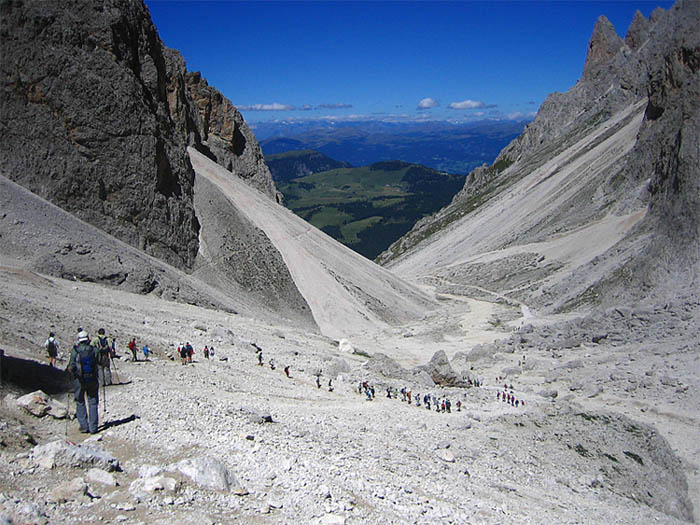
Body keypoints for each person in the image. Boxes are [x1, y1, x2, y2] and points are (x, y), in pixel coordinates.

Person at [68, 331, 100, 434]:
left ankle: (84, 425)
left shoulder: (75, 351)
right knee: (93, 402)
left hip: (79, 380)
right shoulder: (94, 350)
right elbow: (99, 361)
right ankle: (93, 427)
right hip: (93, 379)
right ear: (88, 339)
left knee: (80, 401)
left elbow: (71, 366)